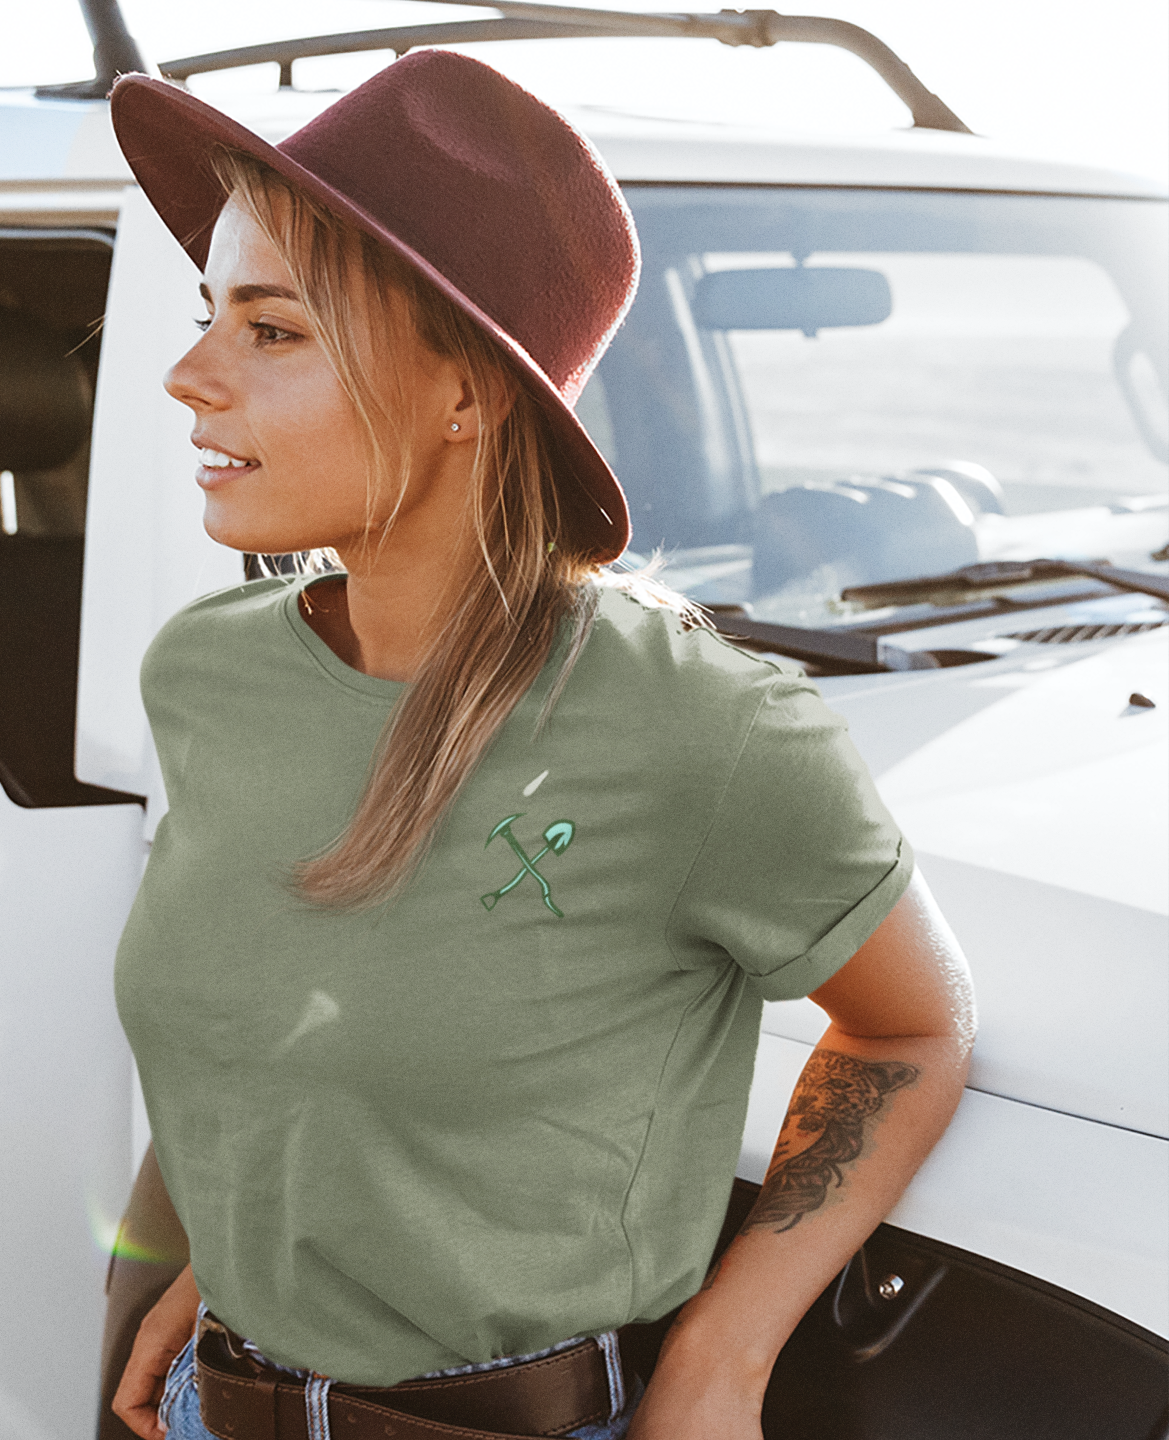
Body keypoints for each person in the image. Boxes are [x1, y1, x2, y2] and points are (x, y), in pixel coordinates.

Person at [104, 52, 975, 1440]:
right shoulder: (205, 675)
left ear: (466, 392)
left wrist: (724, 1357)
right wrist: (242, 1261)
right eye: (210, 315)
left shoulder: (703, 727)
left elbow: (914, 1028)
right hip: (221, 1402)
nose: (187, 376)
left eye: (269, 331)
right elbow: (273, 1024)